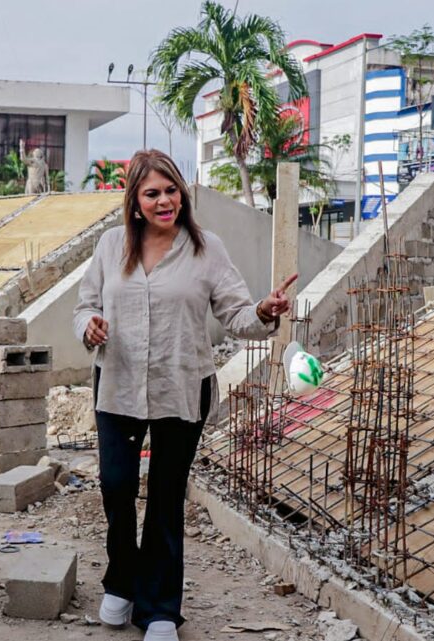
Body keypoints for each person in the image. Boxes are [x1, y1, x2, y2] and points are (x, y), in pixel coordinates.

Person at [73, 149, 295, 641]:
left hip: (183, 387)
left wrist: (264, 309)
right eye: (152, 193)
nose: (164, 200)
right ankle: (121, 580)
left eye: (171, 190)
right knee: (116, 488)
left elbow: (236, 314)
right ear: (134, 201)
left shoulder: (205, 248)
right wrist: (88, 327)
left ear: (183, 194)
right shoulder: (111, 246)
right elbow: (85, 304)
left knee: (166, 499)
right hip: (118, 387)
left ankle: (159, 611)